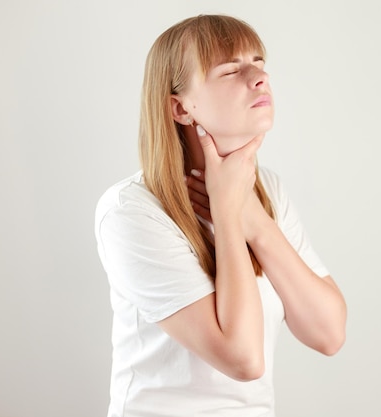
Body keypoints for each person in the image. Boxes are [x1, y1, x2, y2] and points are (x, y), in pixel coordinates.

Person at [94, 14, 347, 417]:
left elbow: (329, 334)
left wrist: (257, 223)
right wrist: (228, 215)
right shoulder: (131, 211)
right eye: (231, 69)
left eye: (259, 62)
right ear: (180, 108)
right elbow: (243, 359)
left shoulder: (269, 192)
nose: (259, 77)